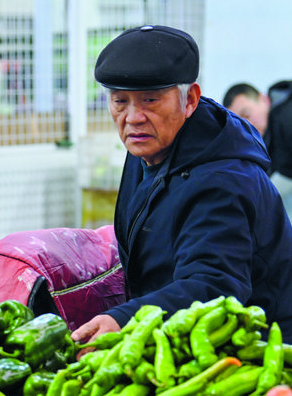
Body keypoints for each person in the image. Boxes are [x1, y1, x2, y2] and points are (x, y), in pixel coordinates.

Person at [70, 25, 292, 344]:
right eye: (120, 101)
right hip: (181, 336)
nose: (133, 117)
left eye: (150, 100)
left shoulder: (224, 179)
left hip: (260, 348)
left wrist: (123, 318)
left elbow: (216, 285)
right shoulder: (148, 147)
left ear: (189, 100)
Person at [223, 81, 292, 217]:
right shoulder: (264, 141)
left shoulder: (286, 116)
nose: (246, 125)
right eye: (238, 123)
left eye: (247, 115)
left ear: (264, 99)